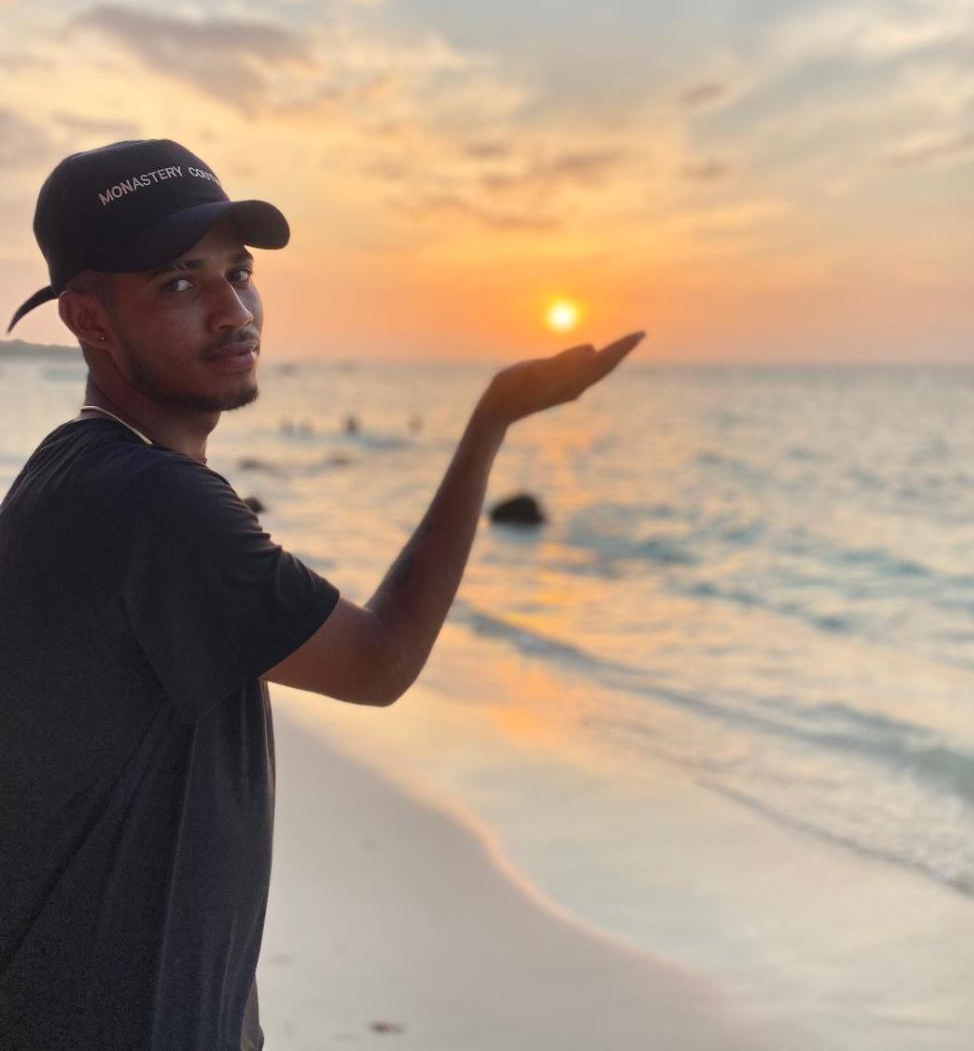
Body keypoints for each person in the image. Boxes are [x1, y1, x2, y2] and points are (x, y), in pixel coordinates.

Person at [0, 137, 645, 1049]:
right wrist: (492, 421)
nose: (233, 312)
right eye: (179, 283)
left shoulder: (74, 472)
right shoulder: (155, 502)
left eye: (239, 273)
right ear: (89, 320)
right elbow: (380, 662)